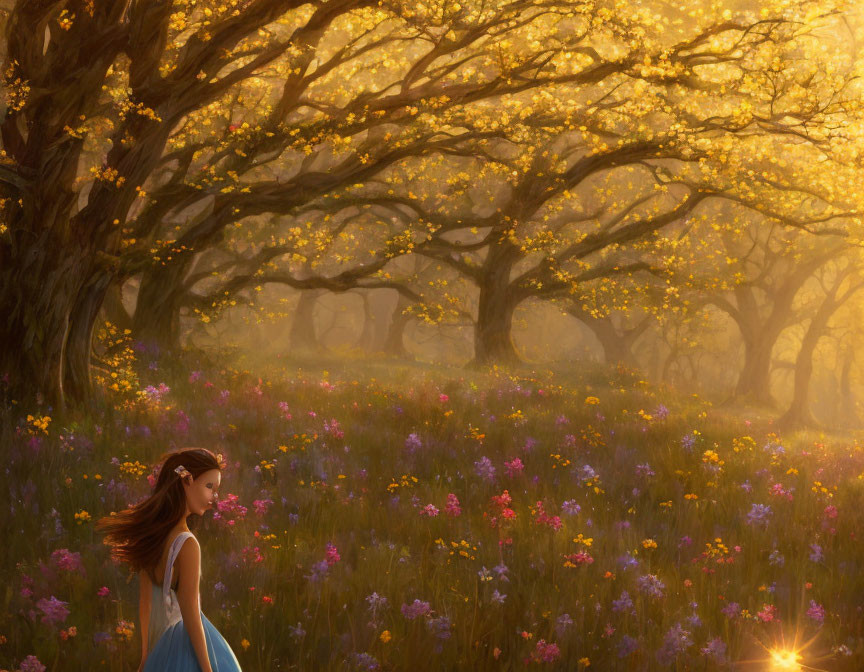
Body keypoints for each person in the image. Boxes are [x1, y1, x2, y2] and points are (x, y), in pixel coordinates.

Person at [96, 447, 242, 672]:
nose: (215, 498)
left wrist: (146, 655)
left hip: (162, 647)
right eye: (209, 486)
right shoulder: (187, 544)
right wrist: (207, 669)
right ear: (187, 481)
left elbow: (146, 602)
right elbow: (191, 613)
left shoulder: (155, 539)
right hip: (188, 645)